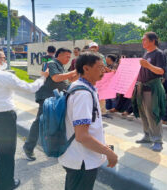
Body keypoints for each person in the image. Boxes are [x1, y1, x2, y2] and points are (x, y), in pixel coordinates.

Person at [0, 47, 48, 190]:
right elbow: (30, 88)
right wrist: (43, 77)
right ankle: (5, 184)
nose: (5, 60)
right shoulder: (5, 76)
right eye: (3, 58)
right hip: (4, 118)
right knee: (6, 152)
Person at [58, 52, 118, 190]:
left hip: (77, 156)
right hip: (82, 160)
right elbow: (82, 136)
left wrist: (103, 145)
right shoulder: (83, 94)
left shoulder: (79, 86)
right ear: (86, 68)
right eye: (99, 67)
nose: (103, 71)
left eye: (104, 67)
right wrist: (109, 153)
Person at [23, 48, 78, 161]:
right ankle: (28, 147)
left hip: (56, 98)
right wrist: (73, 72)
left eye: (69, 57)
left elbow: (68, 79)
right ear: (59, 55)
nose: (69, 59)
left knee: (57, 122)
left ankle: (55, 147)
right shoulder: (51, 63)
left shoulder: (60, 66)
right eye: (67, 56)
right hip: (46, 98)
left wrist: (78, 73)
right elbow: (56, 78)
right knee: (40, 122)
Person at [132, 32, 166, 152]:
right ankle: (147, 136)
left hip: (152, 88)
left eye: (144, 40)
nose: (142, 42)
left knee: (153, 114)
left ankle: (158, 140)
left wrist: (148, 65)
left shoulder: (159, 54)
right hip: (142, 87)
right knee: (144, 114)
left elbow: (161, 71)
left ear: (153, 41)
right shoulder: (146, 53)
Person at [88, 42, 108, 117]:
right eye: (92, 47)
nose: (93, 48)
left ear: (97, 48)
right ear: (89, 48)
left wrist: (109, 71)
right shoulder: (86, 56)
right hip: (89, 78)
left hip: (99, 78)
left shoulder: (101, 56)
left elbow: (104, 67)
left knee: (101, 95)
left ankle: (100, 112)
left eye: (95, 47)